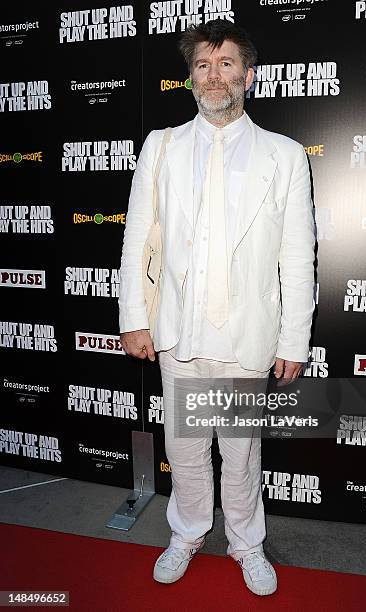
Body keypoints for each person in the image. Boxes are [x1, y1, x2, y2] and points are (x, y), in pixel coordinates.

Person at [119, 20, 316, 597]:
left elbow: (297, 255)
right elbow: (138, 236)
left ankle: (247, 543)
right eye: (203, 66)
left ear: (247, 75)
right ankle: (187, 532)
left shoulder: (283, 155)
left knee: (241, 453)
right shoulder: (162, 146)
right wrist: (134, 315)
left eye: (225, 64)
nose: (213, 75)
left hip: (244, 336)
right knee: (184, 451)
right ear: (191, 77)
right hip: (178, 333)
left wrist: (293, 340)